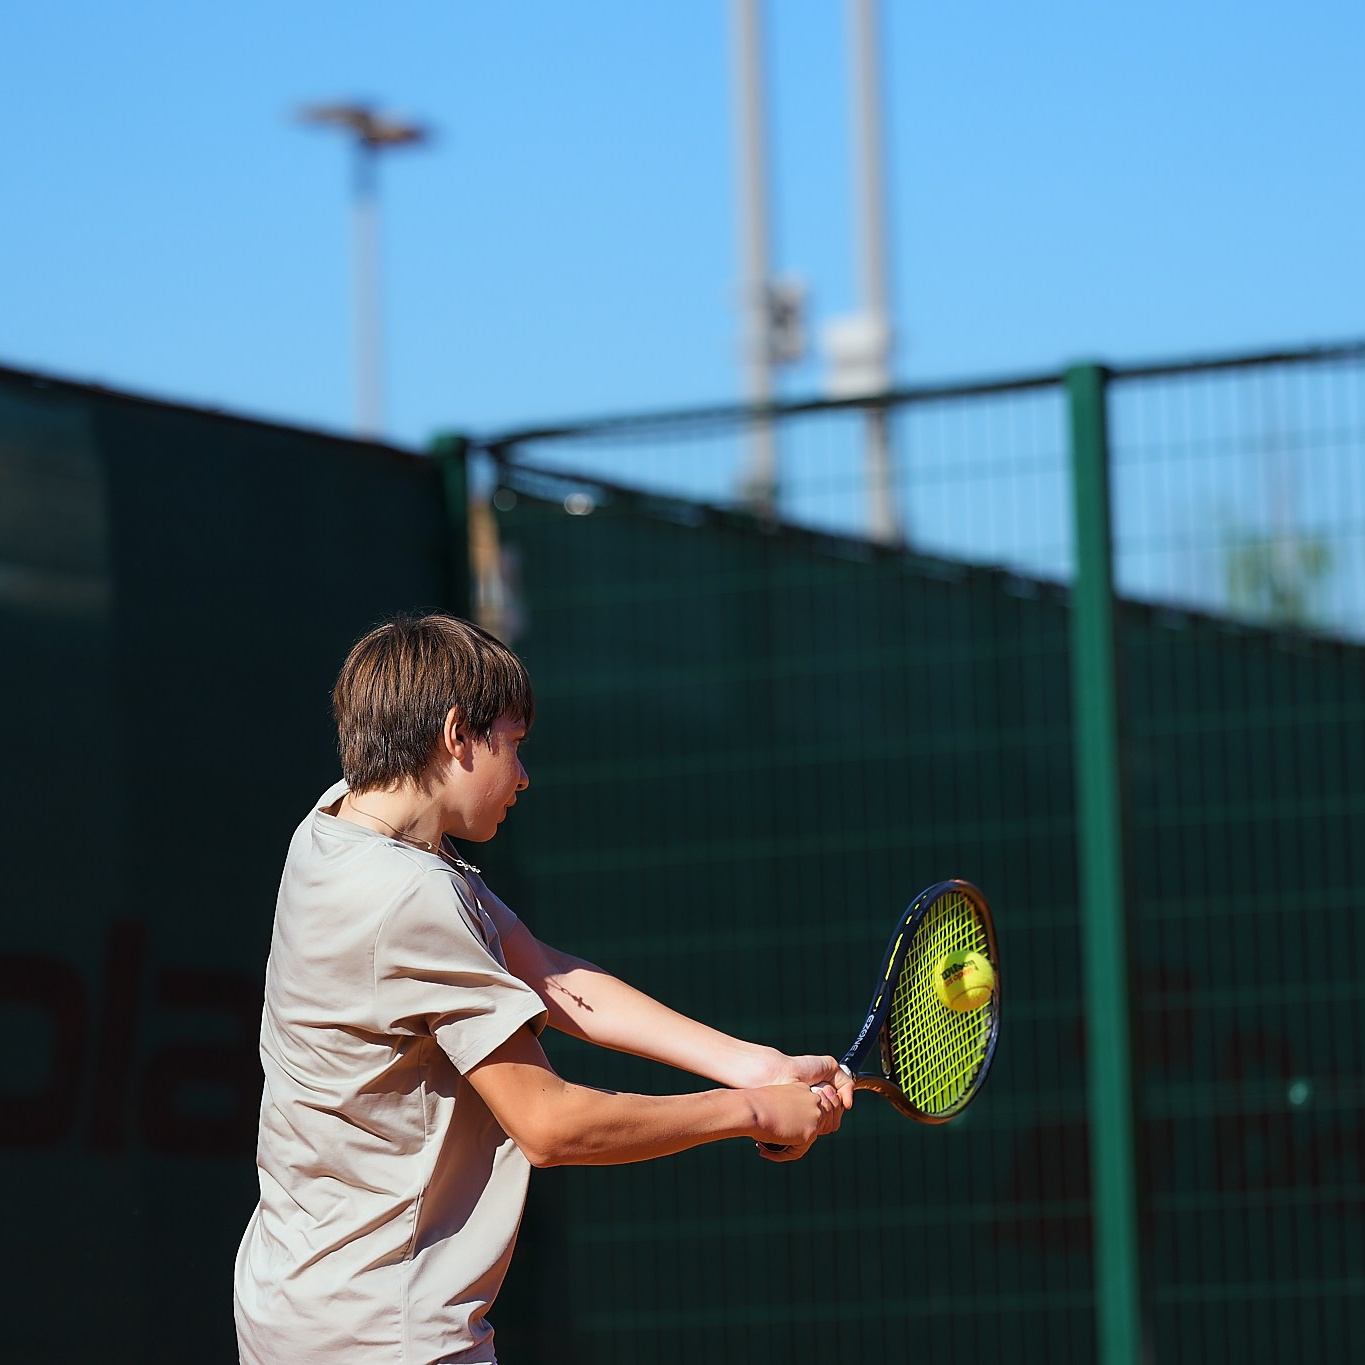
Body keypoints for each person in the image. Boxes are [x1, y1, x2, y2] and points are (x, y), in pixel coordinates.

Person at [233, 613, 851, 1364]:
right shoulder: (410, 895)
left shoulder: (335, 825)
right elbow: (551, 1125)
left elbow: (547, 973)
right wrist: (751, 1111)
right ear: (457, 735)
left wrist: (756, 1067)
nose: (523, 775)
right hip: (384, 1335)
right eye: (513, 744)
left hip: (290, 1305)